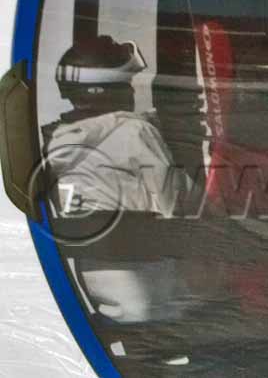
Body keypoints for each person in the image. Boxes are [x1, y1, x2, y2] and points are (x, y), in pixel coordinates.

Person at [43, 36, 192, 324]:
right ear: (110, 89)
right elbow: (174, 200)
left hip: (94, 276)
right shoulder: (136, 132)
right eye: (128, 83)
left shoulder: (56, 140)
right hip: (145, 274)